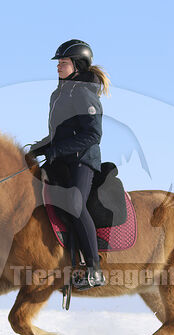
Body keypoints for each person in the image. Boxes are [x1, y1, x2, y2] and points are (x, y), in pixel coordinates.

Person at [25, 39, 110, 289]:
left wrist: (56, 150)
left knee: (74, 203)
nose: (58, 67)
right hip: (60, 161)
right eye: (59, 63)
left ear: (78, 65)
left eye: (63, 62)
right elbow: (57, 135)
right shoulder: (58, 94)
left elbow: (93, 135)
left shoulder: (84, 93)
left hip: (82, 161)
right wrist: (34, 149)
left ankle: (94, 269)